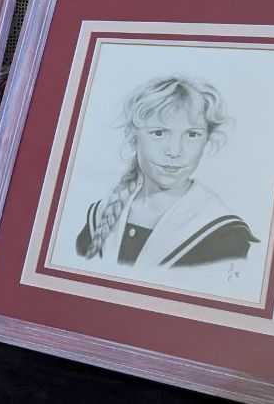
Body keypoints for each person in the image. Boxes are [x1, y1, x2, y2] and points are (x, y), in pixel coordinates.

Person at [74, 75, 258, 271]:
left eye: (192, 134)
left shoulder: (226, 234)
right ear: (133, 136)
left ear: (208, 139)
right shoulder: (100, 215)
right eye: (159, 133)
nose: (175, 151)